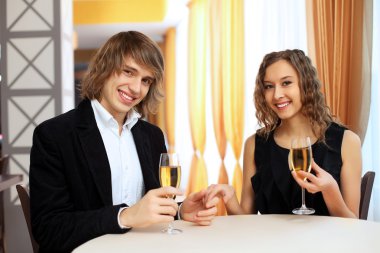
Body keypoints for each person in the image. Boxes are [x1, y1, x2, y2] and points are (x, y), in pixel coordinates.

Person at [29, 31, 219, 253]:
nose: (137, 88)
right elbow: (49, 229)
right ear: (105, 68)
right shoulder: (54, 134)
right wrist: (125, 216)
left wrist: (180, 210)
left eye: (146, 80)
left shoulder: (152, 135)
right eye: (129, 72)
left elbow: (148, 209)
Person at [206, 49, 362, 218]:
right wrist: (230, 199)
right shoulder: (254, 144)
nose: (277, 95)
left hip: (325, 244)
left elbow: (353, 225)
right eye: (269, 86)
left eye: (286, 83)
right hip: (270, 244)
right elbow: (246, 219)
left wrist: (331, 190)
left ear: (306, 84)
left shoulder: (347, 142)